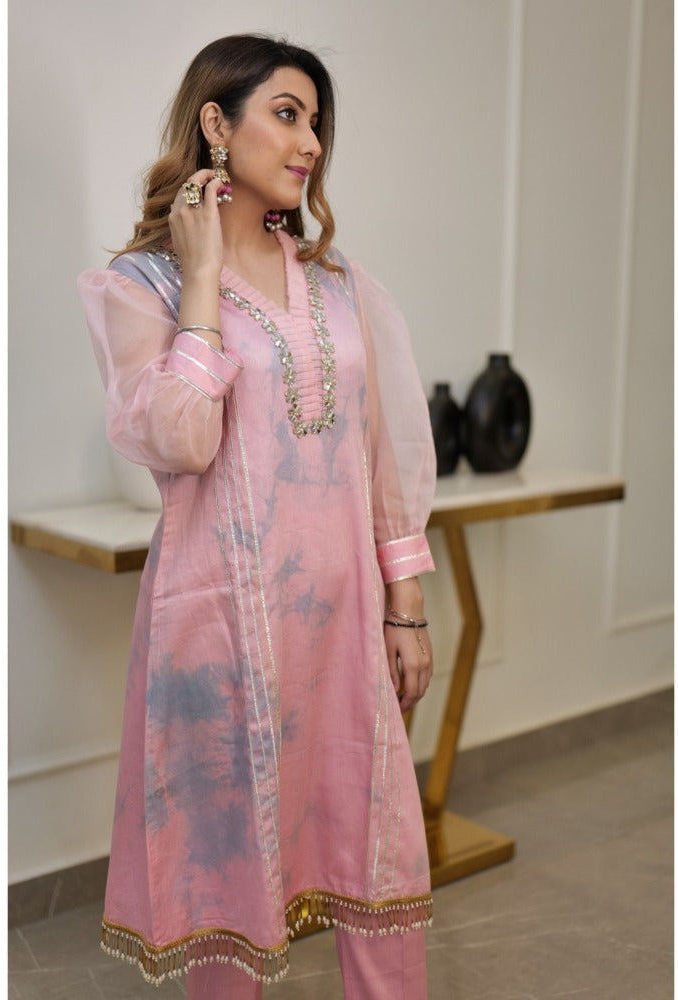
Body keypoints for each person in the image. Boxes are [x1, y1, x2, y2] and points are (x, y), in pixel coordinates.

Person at [77, 33, 437, 999]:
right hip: (221, 630)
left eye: (316, 121)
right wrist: (200, 281)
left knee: (378, 853)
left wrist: (405, 606)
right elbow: (182, 438)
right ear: (216, 123)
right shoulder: (142, 288)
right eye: (286, 114)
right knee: (225, 872)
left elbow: (386, 452)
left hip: (345, 627)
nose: (310, 141)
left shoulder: (340, 284)